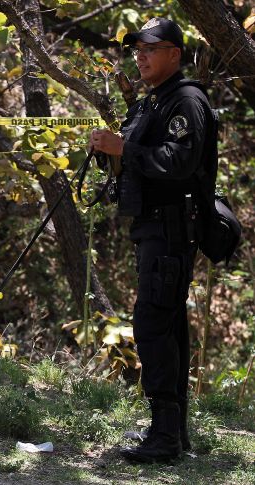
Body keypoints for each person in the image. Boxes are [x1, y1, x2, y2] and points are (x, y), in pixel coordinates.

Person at [89, 17, 219, 463]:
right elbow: (139, 164)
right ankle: (173, 434)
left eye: (150, 48)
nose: (140, 55)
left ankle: (164, 439)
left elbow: (179, 162)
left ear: (174, 55)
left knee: (151, 327)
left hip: (171, 231)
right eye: (137, 49)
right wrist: (112, 153)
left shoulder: (185, 100)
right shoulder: (153, 102)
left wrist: (124, 149)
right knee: (167, 329)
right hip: (152, 229)